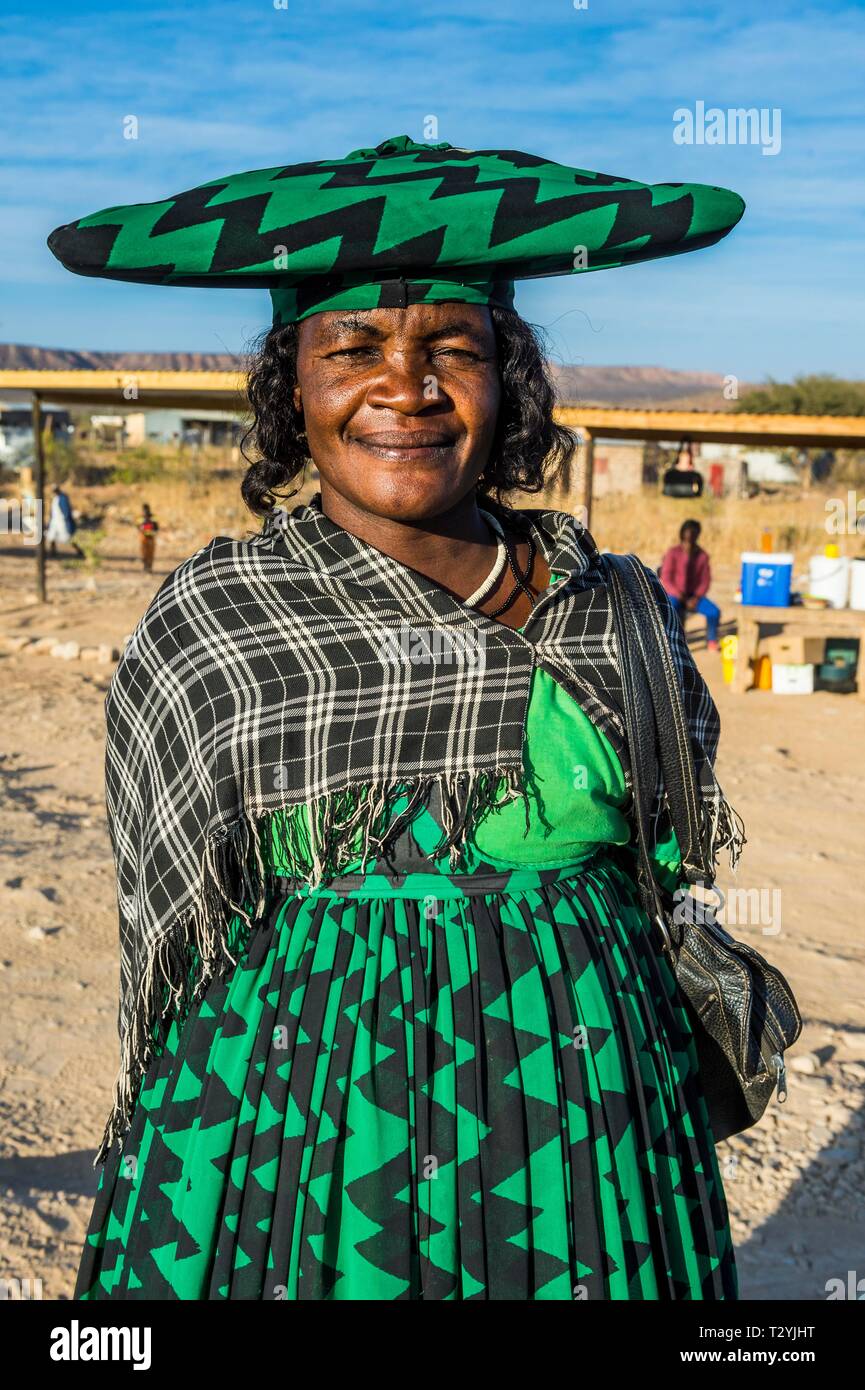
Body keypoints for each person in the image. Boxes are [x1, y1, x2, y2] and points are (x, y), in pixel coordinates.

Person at [49, 134, 748, 1301]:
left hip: (583, 1114)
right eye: (354, 348)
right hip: (306, 1131)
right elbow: (169, 926)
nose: (406, 390)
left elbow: (659, 867)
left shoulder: (613, 604)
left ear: (507, 380)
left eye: (452, 350)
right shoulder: (217, 623)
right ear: (294, 388)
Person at [661, 519, 721, 649]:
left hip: (695, 597)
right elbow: (666, 578)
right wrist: (679, 595)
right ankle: (672, 642)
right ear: (682, 534)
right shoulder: (673, 553)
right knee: (670, 609)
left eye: (694, 534)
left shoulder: (702, 556)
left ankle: (711, 640)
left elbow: (705, 581)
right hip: (676, 595)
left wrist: (696, 597)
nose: (690, 538)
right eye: (688, 534)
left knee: (714, 612)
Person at [45, 483, 85, 558]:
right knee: (52, 536)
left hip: (62, 521)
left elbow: (66, 510)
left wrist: (67, 521)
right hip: (55, 521)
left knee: (68, 537)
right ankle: (52, 552)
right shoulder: (55, 498)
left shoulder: (63, 498)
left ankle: (79, 551)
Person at [138, 503, 158, 572]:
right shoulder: (140, 518)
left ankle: (150, 567)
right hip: (143, 538)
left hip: (151, 537)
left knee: (150, 553)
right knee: (144, 553)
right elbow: (138, 527)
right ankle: (145, 566)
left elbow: (156, 527)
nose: (145, 511)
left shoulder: (153, 518)